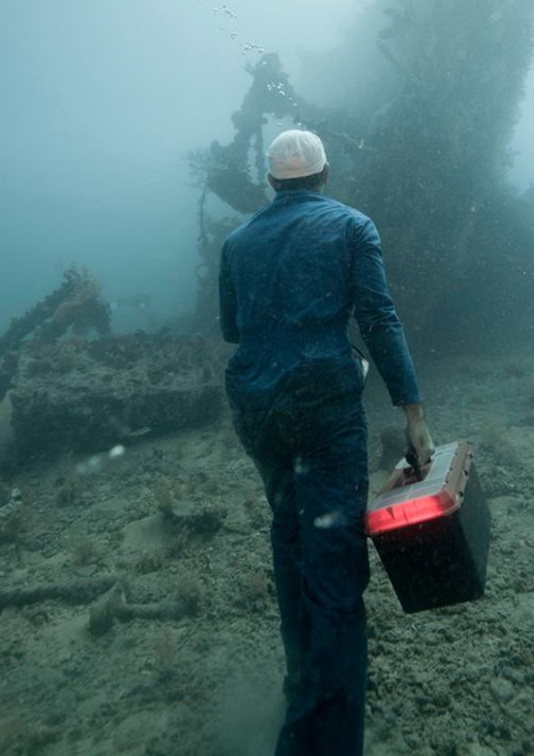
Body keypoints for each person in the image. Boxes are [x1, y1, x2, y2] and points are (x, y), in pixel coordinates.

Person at [219, 128, 434, 756]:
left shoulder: (236, 242)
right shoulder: (352, 227)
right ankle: (326, 741)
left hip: (255, 408)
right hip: (323, 408)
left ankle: (301, 693)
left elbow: (234, 329)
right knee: (334, 573)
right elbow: (378, 317)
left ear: (270, 183)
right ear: (325, 174)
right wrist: (412, 413)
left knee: (290, 545)